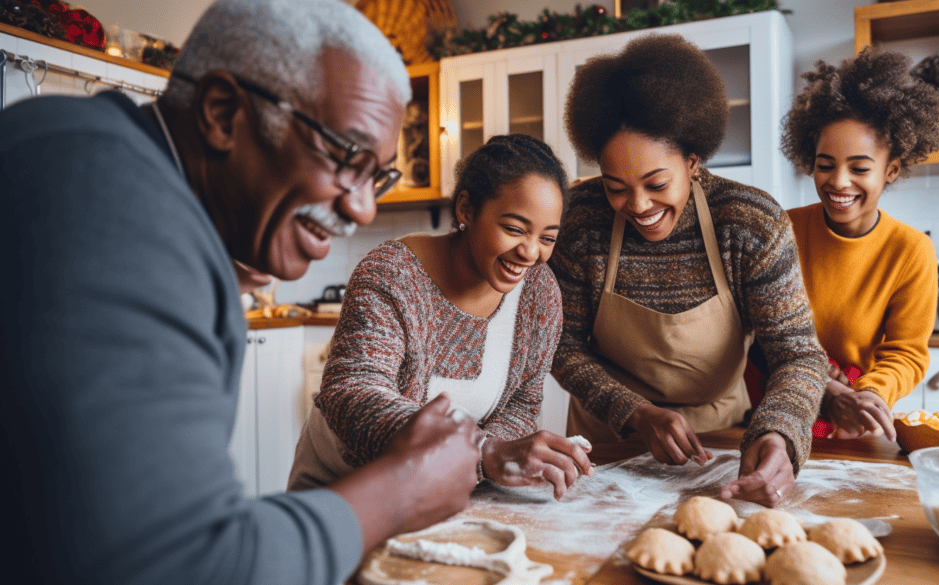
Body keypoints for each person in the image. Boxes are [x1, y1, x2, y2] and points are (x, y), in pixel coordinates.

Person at [0, 1, 482, 583]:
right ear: (224, 113)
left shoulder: (85, 148)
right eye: (346, 158)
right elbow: (185, 564)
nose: (362, 206)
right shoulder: (110, 202)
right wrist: (403, 489)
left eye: (376, 176)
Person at [549, 34, 829, 508]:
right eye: (616, 187)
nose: (637, 206)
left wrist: (780, 432)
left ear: (693, 160)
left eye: (656, 183)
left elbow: (798, 354)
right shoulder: (580, 220)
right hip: (604, 448)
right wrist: (635, 412)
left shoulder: (749, 223)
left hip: (720, 445)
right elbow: (561, 345)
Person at [288, 134, 593, 500]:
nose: (530, 252)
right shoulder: (392, 274)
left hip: (445, 488)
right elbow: (353, 391)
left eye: (547, 238)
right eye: (514, 229)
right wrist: (482, 452)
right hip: (344, 487)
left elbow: (522, 403)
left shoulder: (539, 295)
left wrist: (482, 462)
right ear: (466, 209)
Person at [779, 49, 939, 441]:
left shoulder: (912, 250)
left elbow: (906, 352)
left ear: (890, 170)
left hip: (853, 411)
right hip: (775, 399)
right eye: (824, 164)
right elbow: (753, 334)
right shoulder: (782, 229)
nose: (838, 181)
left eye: (859, 168)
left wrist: (871, 393)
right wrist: (820, 383)